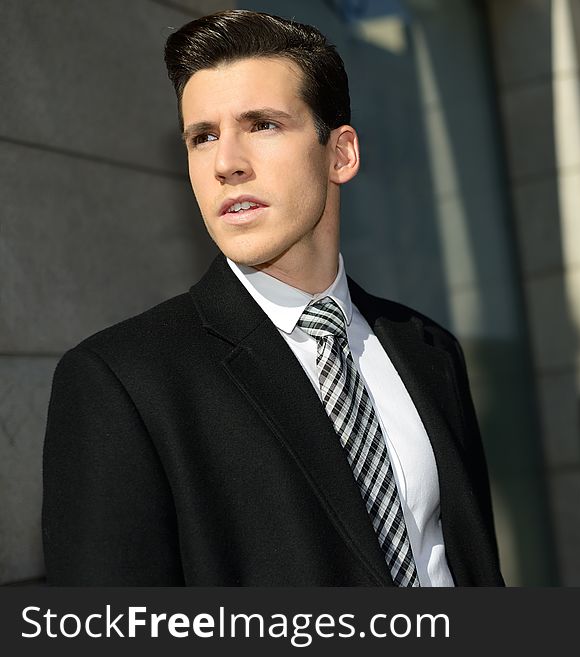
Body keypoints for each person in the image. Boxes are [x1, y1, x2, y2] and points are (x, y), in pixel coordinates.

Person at [42, 10, 504, 587]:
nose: (226, 162)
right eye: (202, 136)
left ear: (340, 154)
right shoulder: (122, 382)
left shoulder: (429, 349)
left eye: (261, 124)